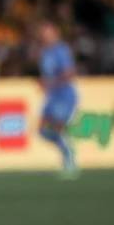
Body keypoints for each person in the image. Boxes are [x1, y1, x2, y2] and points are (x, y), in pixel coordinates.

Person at [36, 21, 79, 176]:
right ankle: (66, 148)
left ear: (55, 33)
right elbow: (48, 75)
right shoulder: (45, 52)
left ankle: (68, 158)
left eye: (47, 32)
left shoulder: (61, 50)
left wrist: (51, 83)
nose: (44, 36)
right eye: (43, 33)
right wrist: (44, 83)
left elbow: (69, 72)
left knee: (57, 126)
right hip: (52, 97)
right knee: (41, 130)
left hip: (64, 96)